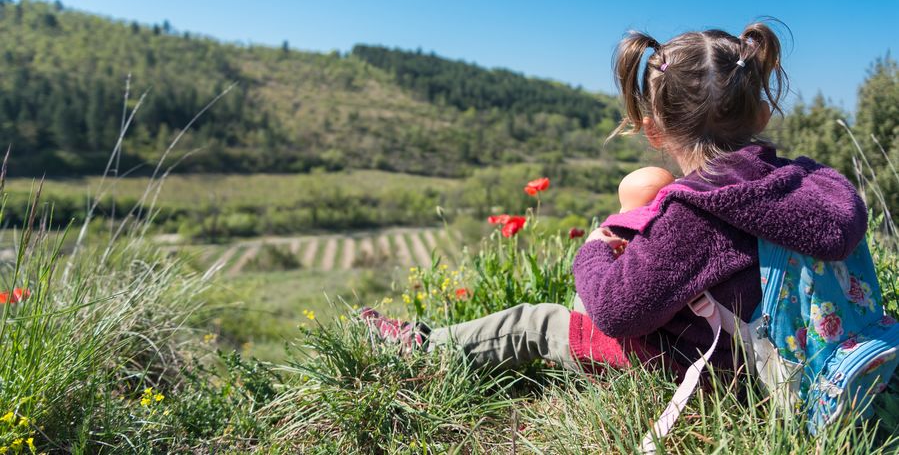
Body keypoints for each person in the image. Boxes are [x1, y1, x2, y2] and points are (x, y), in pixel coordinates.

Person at [361, 21, 868, 377]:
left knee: (537, 322)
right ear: (760, 115)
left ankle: (419, 346)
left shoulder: (695, 215)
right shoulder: (811, 181)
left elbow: (617, 312)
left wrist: (604, 239)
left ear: (653, 130)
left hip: (727, 374)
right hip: (816, 351)